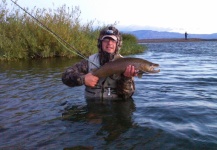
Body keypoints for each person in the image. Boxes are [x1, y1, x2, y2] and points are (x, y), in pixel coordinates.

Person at [62, 26, 137, 100]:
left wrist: (126, 78)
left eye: (113, 40)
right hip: (92, 107)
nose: (109, 43)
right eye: (106, 40)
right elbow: (65, 76)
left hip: (114, 107)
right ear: (100, 43)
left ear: (117, 44)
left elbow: (127, 96)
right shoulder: (89, 61)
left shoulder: (126, 64)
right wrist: (83, 79)